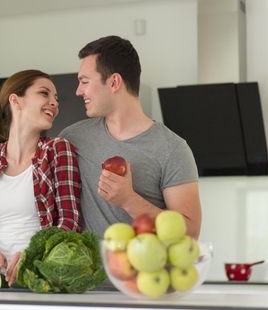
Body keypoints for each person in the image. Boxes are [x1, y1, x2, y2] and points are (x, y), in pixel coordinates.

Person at [59, 35, 201, 239]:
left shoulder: (172, 149)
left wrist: (128, 200)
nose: (78, 91)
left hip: (144, 270)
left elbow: (190, 234)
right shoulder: (71, 139)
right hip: (83, 271)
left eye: (84, 82)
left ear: (114, 82)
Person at [0, 70, 81, 286]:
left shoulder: (57, 150)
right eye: (44, 93)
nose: (54, 103)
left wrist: (34, 253)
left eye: (56, 99)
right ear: (16, 100)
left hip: (42, 280)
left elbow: (70, 221)